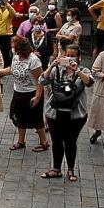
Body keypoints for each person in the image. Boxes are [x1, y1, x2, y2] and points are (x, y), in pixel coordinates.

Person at [39, 44, 93, 182]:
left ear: (79, 57)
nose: (69, 58)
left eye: (73, 55)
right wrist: (51, 66)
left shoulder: (83, 70)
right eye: (67, 55)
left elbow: (89, 82)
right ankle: (56, 169)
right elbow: (42, 80)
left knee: (70, 142)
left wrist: (78, 71)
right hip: (55, 113)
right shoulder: (57, 69)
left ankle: (71, 169)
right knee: (56, 141)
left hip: (76, 115)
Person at [0, 37, 48, 152]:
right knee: (20, 118)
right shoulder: (16, 57)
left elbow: (40, 79)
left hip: (31, 94)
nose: (12, 48)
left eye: (13, 46)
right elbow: (12, 69)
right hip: (19, 92)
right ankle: (21, 141)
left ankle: (44, 142)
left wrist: (38, 96)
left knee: (36, 119)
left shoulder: (33, 60)